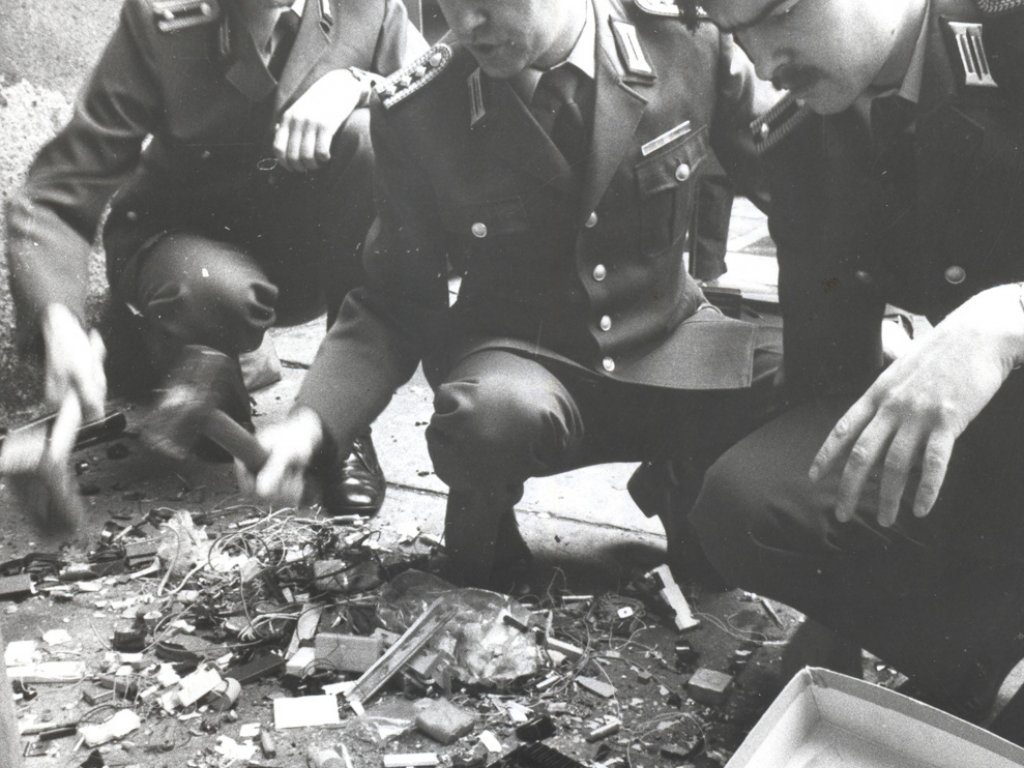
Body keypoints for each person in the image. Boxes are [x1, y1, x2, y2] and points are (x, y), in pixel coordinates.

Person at [239, 0, 784, 589]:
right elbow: (392, 303)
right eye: (451, 3)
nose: (469, 24)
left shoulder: (686, 41)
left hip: (670, 343)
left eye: (492, 3)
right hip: (524, 362)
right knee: (488, 418)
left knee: (818, 368)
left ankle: (688, 480)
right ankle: (485, 512)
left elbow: (799, 186)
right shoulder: (421, 109)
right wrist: (311, 424)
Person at [688, 0, 1024, 738]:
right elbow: (826, 372)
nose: (763, 62)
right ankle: (981, 659)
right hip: (992, 452)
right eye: (738, 35)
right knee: (750, 501)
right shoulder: (805, 141)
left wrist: (1008, 318)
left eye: (777, 15)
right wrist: (832, 605)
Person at [5, 0, 427, 517]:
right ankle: (201, 374)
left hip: (305, 260)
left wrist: (361, 85)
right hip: (185, 252)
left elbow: (436, 98)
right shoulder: (165, 21)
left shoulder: (371, 8)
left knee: (369, 141)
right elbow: (58, 191)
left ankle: (342, 429)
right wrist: (58, 321)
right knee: (215, 293)